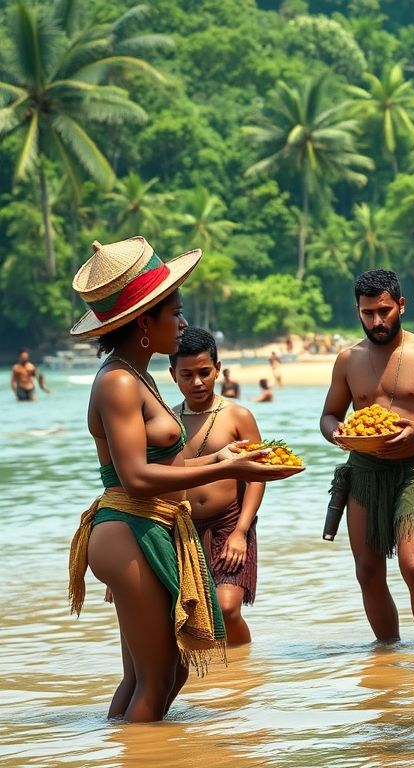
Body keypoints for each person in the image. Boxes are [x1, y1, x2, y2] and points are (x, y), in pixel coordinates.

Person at [67, 236, 294, 723]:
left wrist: (228, 455)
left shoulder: (137, 374)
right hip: (128, 528)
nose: (184, 322)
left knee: (163, 675)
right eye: (176, 313)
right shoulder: (119, 382)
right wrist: (229, 467)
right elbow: (135, 478)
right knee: (158, 675)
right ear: (144, 323)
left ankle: (126, 748)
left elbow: (166, 471)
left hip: (145, 526)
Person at [319, 269, 414, 643]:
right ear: (357, 311)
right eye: (367, 313)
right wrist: (339, 434)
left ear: (401, 305)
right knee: (367, 569)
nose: (377, 321)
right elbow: (329, 415)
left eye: (384, 311)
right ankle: (388, 660)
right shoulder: (348, 359)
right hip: (364, 468)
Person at [170, 327, 265, 646]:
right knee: (191, 619)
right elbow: (155, 478)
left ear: (218, 370)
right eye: (187, 375)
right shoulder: (168, 421)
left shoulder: (237, 415)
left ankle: (244, 669)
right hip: (183, 528)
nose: (196, 382)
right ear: (173, 375)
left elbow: (256, 476)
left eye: (204, 372)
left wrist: (241, 531)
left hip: (229, 522)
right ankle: (218, 681)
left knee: (226, 609)